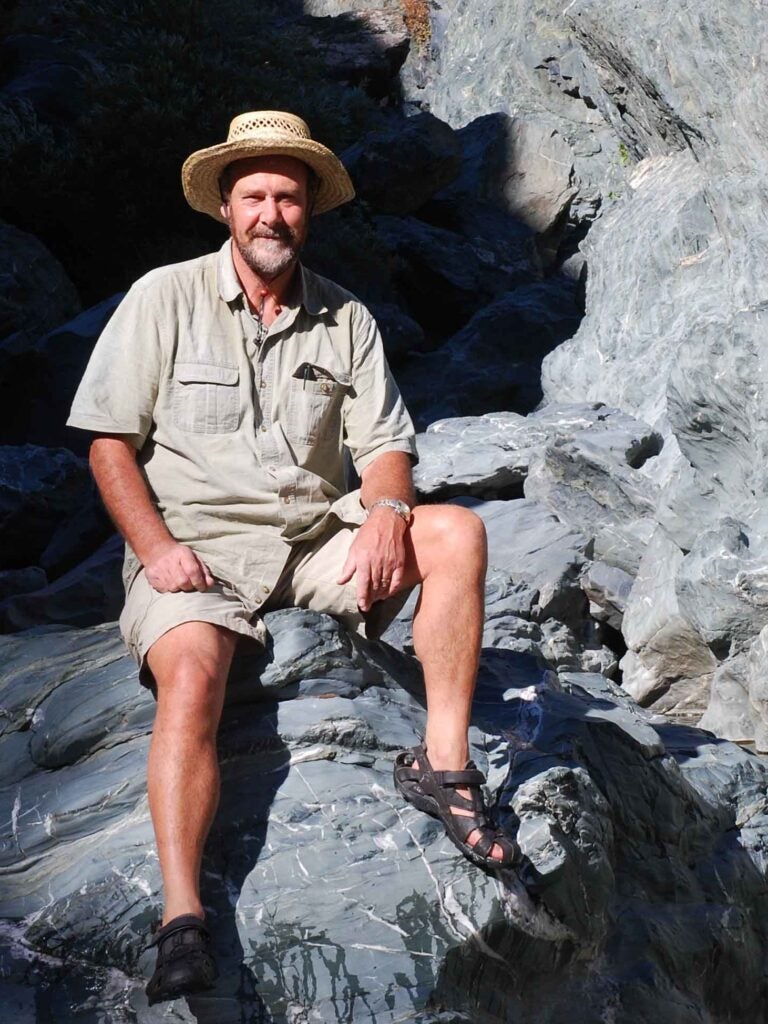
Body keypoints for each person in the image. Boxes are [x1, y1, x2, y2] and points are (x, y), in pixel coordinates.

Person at [67, 111, 516, 1005]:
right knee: (193, 674)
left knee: (454, 531)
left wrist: (389, 511)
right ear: (226, 210)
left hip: (312, 542)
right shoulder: (164, 296)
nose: (272, 213)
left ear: (309, 210)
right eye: (256, 196)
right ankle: (183, 919)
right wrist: (154, 550)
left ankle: (445, 765)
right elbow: (108, 443)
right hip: (196, 550)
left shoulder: (346, 316)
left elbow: (386, 442)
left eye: (288, 197)